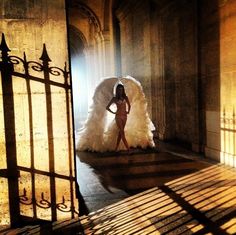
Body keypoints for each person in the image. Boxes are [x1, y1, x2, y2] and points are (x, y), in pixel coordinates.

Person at [106, 83, 131, 151]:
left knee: (120, 132)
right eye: (119, 90)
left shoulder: (125, 97)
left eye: (122, 89)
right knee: (122, 131)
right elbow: (107, 107)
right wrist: (114, 112)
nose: (121, 91)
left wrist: (128, 111)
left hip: (125, 116)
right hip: (118, 116)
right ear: (117, 90)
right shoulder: (114, 98)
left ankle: (116, 147)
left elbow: (129, 105)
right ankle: (128, 149)